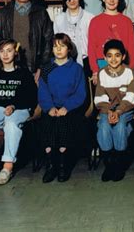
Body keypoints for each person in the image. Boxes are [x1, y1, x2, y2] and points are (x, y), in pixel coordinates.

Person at [0, 39, 37, 187]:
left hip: (19, 109)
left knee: (11, 124)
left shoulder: (24, 73)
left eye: (9, 50)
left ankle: (7, 167)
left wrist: (14, 105)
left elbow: (31, 98)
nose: (5, 54)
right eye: (2, 51)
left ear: (15, 53)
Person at [38, 33, 86, 183]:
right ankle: (51, 165)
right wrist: (49, 108)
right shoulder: (46, 69)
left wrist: (67, 107)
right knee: (48, 122)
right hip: (51, 106)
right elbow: (43, 92)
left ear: (69, 49)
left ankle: (62, 165)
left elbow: (80, 93)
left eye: (62, 46)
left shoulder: (76, 69)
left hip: (70, 107)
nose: (58, 50)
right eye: (55, 46)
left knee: (63, 122)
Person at [0, 0, 53, 82]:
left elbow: (48, 42)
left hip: (34, 69)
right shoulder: (3, 13)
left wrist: (41, 68)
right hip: (9, 69)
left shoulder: (41, 13)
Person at [95, 39, 134, 182]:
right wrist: (108, 112)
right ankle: (109, 164)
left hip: (125, 110)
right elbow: (99, 97)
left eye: (117, 55)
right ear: (105, 57)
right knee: (103, 125)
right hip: (106, 110)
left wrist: (118, 112)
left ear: (123, 56)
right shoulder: (102, 73)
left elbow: (132, 96)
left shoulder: (129, 72)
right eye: (110, 55)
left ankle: (119, 164)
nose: (113, 59)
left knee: (119, 126)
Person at [88, 0, 134, 85]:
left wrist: (130, 69)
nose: (111, 0)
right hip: (102, 63)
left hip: (123, 63)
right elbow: (91, 48)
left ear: (119, 0)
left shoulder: (126, 21)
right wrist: (95, 70)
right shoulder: (95, 21)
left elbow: (131, 48)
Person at [54, 0, 94, 68]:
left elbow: (95, 44)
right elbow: (57, 43)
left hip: (87, 61)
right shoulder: (59, 19)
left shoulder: (90, 18)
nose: (72, 0)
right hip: (66, 61)